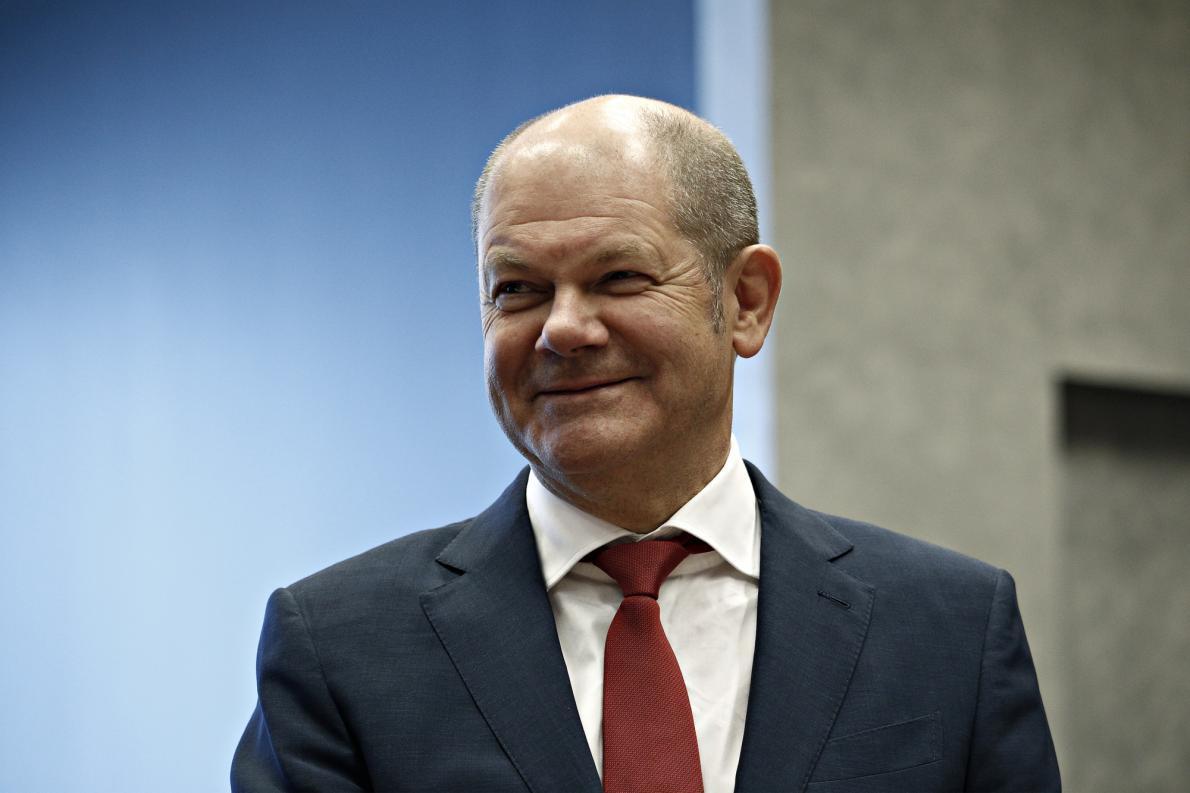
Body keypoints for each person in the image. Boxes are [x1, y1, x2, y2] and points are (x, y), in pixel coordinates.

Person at [231, 95, 1060, 793]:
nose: (562, 328)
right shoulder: (339, 648)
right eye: (517, 288)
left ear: (746, 301)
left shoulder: (949, 631)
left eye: (618, 277)